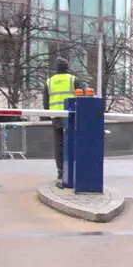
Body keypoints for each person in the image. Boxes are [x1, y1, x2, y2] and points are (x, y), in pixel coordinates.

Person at [44, 58, 79, 186]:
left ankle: (60, 171)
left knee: (58, 144)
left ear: (56, 69)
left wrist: (48, 114)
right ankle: (72, 169)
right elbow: (85, 94)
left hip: (56, 116)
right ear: (67, 67)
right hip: (70, 116)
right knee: (71, 142)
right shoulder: (73, 79)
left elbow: (45, 103)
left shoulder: (49, 81)